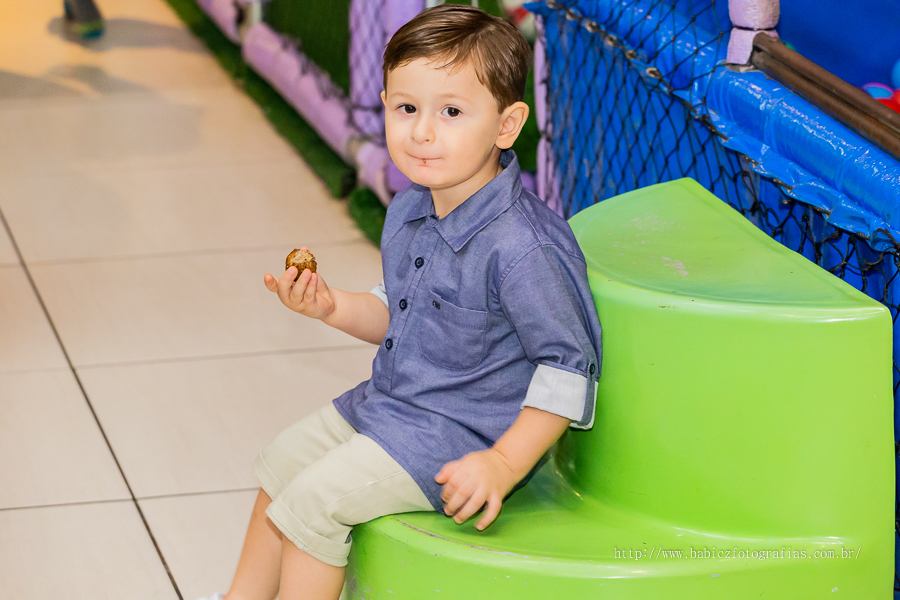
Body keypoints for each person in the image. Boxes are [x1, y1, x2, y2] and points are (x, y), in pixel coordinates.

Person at [201, 5, 602, 600]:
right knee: (279, 462)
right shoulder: (412, 206)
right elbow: (401, 313)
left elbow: (569, 368)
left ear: (507, 125)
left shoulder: (523, 247)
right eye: (406, 108)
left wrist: (503, 464)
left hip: (460, 437)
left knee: (314, 507)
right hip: (391, 406)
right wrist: (330, 306)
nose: (421, 131)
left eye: (452, 112)